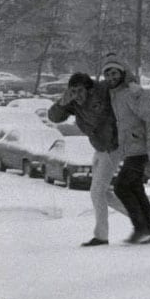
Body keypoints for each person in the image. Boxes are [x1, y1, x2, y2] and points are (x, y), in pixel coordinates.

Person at [47, 72, 120, 247]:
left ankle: (101, 237)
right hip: (100, 148)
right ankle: (142, 218)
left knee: (96, 192)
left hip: (114, 146)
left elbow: (122, 87)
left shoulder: (102, 91)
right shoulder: (74, 102)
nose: (77, 95)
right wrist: (62, 103)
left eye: (80, 91)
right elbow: (53, 117)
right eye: (73, 91)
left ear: (89, 89)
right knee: (103, 194)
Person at [102, 53, 150, 244]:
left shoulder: (133, 92)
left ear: (122, 73)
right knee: (136, 189)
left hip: (140, 149)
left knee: (121, 187)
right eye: (108, 74)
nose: (111, 78)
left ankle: (141, 228)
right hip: (130, 149)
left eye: (114, 73)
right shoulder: (116, 93)